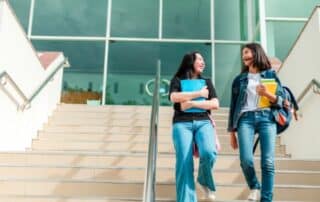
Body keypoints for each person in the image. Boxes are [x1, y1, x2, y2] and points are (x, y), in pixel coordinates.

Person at [228, 43, 285, 202]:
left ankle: (266, 199)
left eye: (247, 52)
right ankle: (255, 186)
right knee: (246, 160)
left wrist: (267, 93)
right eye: (243, 54)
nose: (244, 56)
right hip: (245, 120)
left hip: (267, 118)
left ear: (256, 53)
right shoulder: (239, 80)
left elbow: (281, 101)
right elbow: (233, 107)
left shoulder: (270, 75)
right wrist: (232, 133)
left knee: (268, 162)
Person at [169, 51, 219, 202]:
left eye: (204, 60)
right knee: (184, 163)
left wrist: (191, 103)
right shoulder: (177, 80)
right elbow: (174, 97)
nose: (203, 62)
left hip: (203, 121)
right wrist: (199, 93)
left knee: (209, 152)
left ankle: (203, 180)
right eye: (200, 60)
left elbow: (215, 104)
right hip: (181, 123)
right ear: (190, 62)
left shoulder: (207, 81)